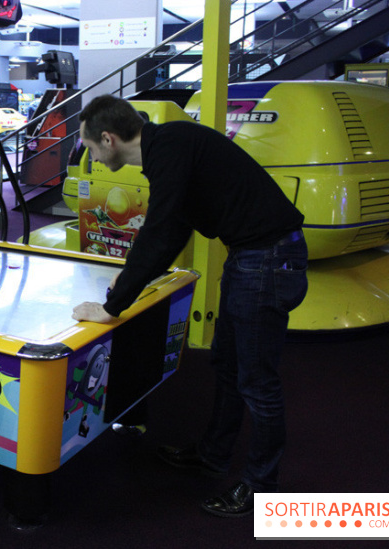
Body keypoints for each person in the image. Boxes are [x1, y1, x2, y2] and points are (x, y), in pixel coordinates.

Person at [71, 94, 308, 517]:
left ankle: (261, 487)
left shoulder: (171, 147)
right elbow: (172, 224)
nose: (90, 154)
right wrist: (128, 275)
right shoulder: (168, 146)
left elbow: (163, 232)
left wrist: (113, 307)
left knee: (257, 382)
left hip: (268, 260)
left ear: (108, 139)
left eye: (89, 147)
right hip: (252, 256)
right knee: (228, 367)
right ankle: (214, 457)